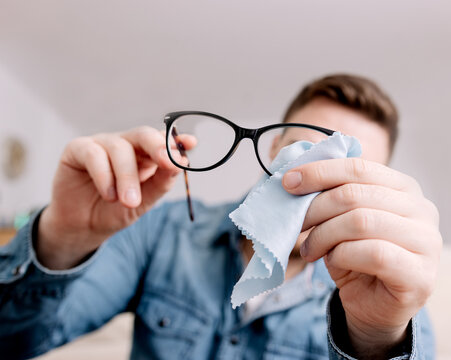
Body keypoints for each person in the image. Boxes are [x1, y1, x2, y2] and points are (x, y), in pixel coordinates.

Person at [0, 74, 441, 359]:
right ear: (273, 146)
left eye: (347, 167)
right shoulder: (164, 230)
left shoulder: (391, 293)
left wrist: (375, 338)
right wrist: (62, 237)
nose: (319, 178)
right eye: (305, 151)